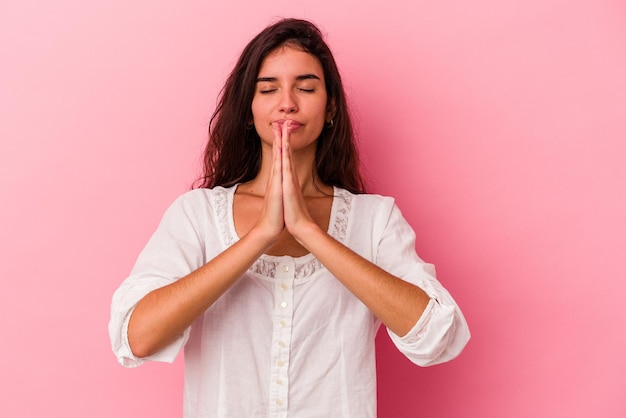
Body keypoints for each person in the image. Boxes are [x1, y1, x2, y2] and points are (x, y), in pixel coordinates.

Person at [109, 17, 470, 417]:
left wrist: (309, 231)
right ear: (248, 110)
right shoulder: (196, 216)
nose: (287, 102)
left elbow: (439, 334)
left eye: (306, 87)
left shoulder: (376, 220)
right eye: (268, 89)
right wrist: (261, 235)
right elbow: (137, 337)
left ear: (330, 106)